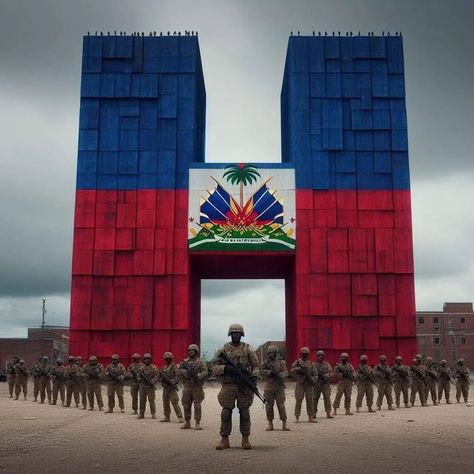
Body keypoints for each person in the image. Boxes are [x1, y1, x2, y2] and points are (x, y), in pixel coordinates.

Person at [212, 323, 260, 450]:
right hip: (229, 385)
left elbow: (256, 366)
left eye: (238, 333)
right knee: (226, 412)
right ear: (230, 334)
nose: (236, 335)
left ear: (242, 334)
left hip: (244, 385)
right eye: (234, 333)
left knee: (244, 412)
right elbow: (214, 367)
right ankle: (224, 439)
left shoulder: (247, 349)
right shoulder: (223, 350)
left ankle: (245, 438)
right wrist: (226, 368)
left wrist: (252, 378)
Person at [260, 345, 289, 431]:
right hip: (269, 387)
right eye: (269, 353)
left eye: (272, 353)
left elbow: (286, 372)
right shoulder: (265, 363)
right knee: (269, 406)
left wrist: (279, 375)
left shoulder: (281, 363)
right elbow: (260, 371)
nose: (270, 355)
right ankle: (270, 423)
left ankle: (284, 422)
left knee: (281, 405)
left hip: (279, 387)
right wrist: (269, 372)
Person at [177, 344, 207, 430]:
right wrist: (185, 373)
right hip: (187, 385)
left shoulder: (200, 361)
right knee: (186, 404)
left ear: (196, 351)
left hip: (197, 386)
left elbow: (205, 372)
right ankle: (187, 422)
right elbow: (178, 372)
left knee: (197, 405)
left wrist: (198, 375)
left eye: (192, 350)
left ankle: (197, 423)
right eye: (189, 350)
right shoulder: (185, 362)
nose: (190, 352)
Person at [290, 347, 317, 423]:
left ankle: (310, 417)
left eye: (306, 354)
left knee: (310, 401)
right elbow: (291, 370)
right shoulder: (297, 362)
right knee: (299, 400)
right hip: (300, 383)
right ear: (301, 354)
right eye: (303, 354)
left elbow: (315, 374)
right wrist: (298, 369)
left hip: (309, 384)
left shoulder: (311, 364)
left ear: (308, 354)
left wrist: (313, 380)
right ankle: (297, 417)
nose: (305, 355)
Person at [159, 352, 183, 423]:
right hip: (165, 387)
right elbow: (160, 376)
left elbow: (178, 376)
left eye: (169, 359)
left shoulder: (175, 366)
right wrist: (162, 379)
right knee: (165, 402)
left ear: (171, 359)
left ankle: (180, 417)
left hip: (172, 388)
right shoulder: (163, 368)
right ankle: (167, 417)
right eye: (166, 359)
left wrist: (173, 381)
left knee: (175, 402)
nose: (167, 360)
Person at [137, 353, 160, 419]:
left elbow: (158, 376)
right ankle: (141, 414)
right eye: (145, 359)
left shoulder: (154, 367)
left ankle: (153, 414)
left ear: (150, 360)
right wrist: (141, 378)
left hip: (150, 386)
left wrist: (153, 380)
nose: (146, 360)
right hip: (142, 386)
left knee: (151, 400)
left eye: (148, 359)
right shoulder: (141, 368)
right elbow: (138, 376)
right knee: (142, 400)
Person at [313, 350, 333, 420]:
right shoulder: (313, 365)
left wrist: (325, 376)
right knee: (315, 398)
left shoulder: (327, 365)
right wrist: (316, 376)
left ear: (324, 356)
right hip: (316, 384)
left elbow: (331, 373)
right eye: (318, 355)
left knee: (327, 398)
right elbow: (311, 374)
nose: (320, 357)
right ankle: (313, 413)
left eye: (321, 355)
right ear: (316, 356)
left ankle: (328, 413)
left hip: (325, 384)